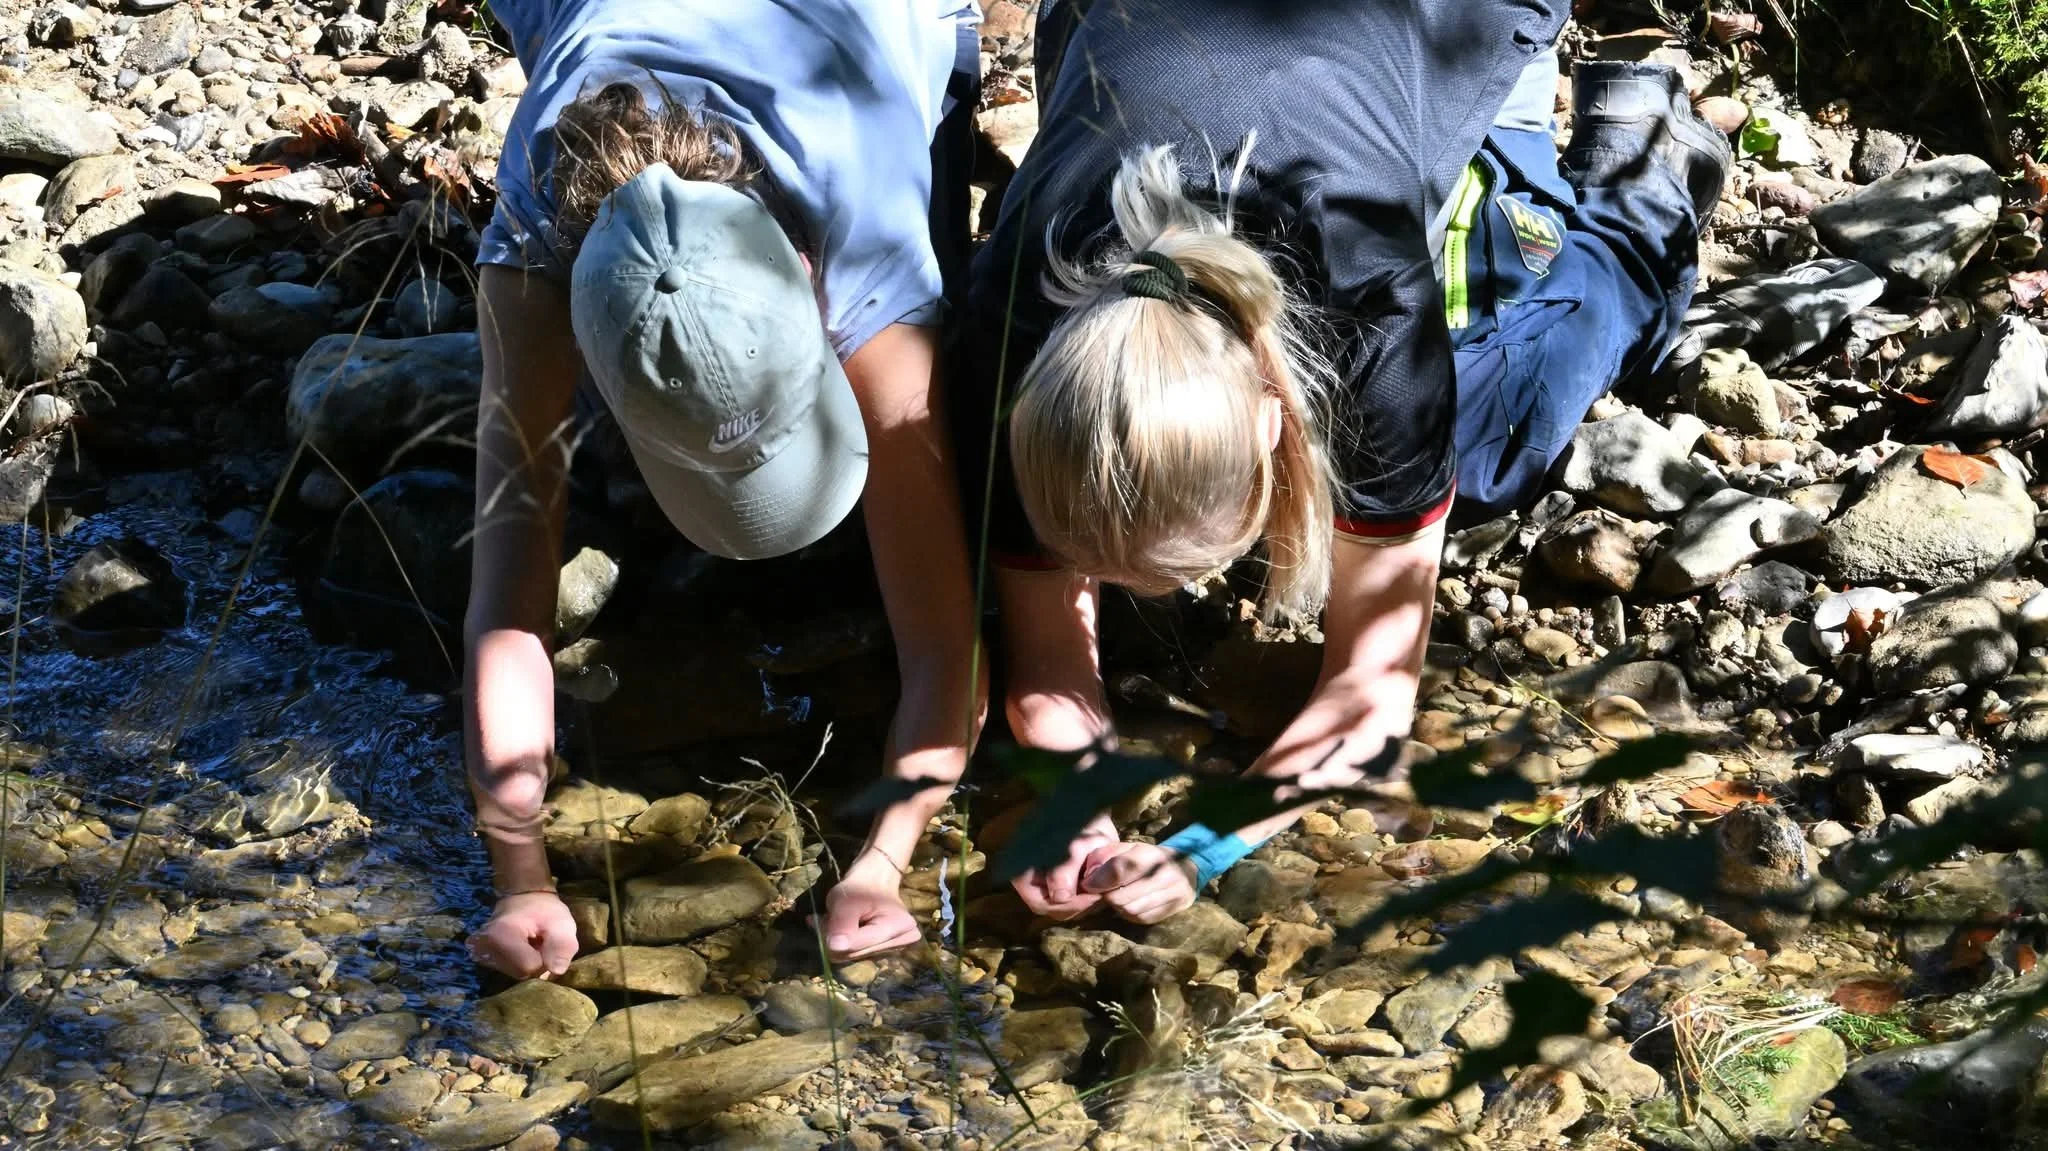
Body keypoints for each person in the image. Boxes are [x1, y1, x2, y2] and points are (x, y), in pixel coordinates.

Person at [911, 0, 1732, 930]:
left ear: (1276, 424)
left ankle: (1641, 197)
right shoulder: (1014, 331)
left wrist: (1209, 841)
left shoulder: (1373, 312)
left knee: (1487, 442)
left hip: (1448, 21)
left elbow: (1371, 697)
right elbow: (1049, 661)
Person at [462, 0, 986, 979]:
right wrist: (518, 875)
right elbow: (507, 611)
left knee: (949, 384)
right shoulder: (534, 238)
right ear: (577, 332)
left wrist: (883, 863)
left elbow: (943, 647)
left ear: (811, 278)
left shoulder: (868, 240)